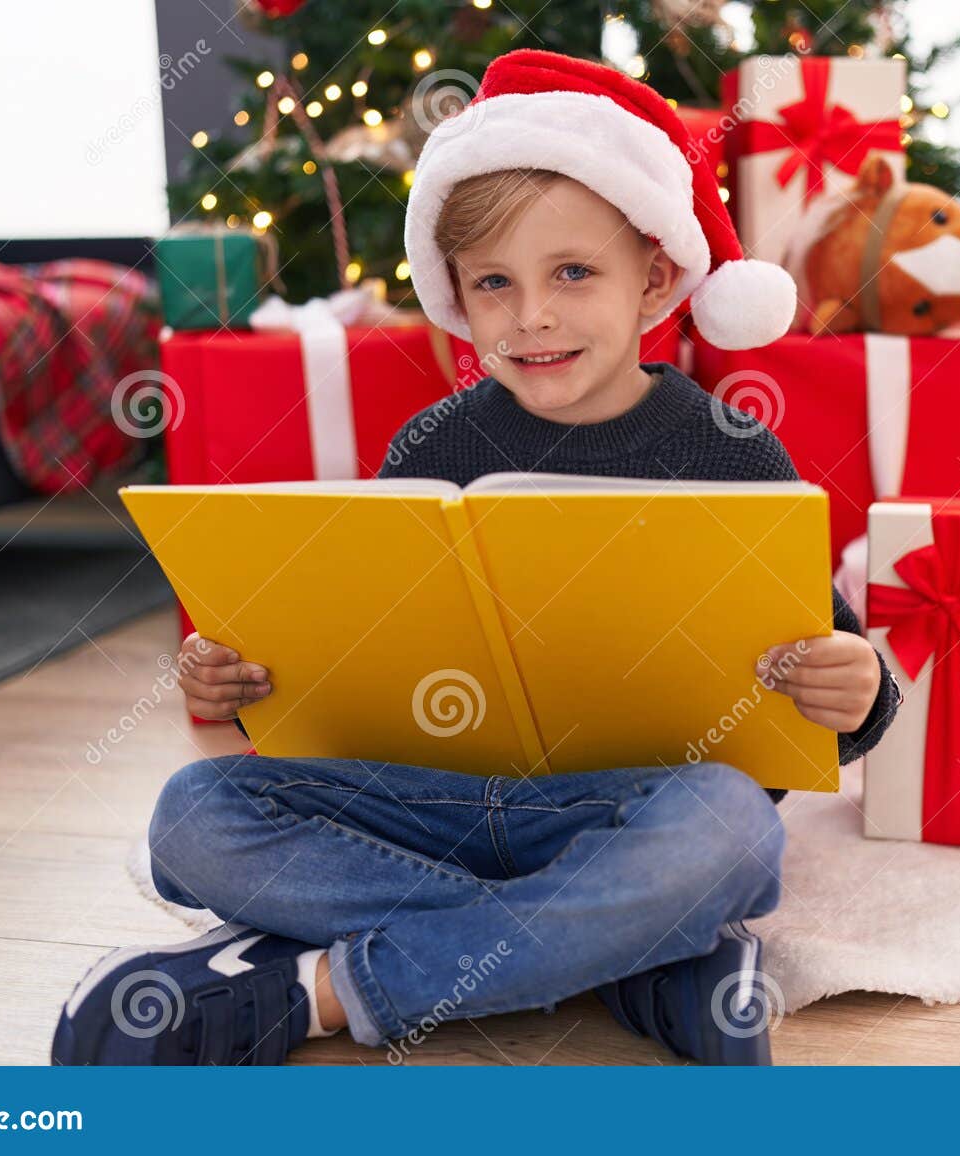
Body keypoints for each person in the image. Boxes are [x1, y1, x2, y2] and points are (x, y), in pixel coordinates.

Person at [52, 47, 901, 1068]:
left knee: (729, 831)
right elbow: (353, 655)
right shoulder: (431, 448)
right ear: (456, 294)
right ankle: (634, 951)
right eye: (493, 283)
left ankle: (326, 988)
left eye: (573, 273)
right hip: (431, 805)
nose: (530, 315)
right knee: (192, 814)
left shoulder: (732, 453)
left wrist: (861, 688)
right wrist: (240, 677)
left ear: (657, 277)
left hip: (640, 802)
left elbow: (833, 679)